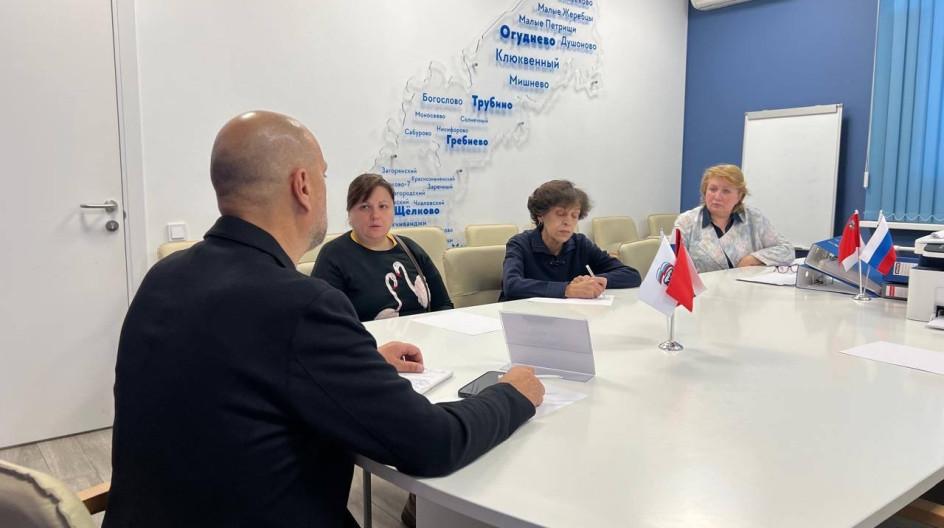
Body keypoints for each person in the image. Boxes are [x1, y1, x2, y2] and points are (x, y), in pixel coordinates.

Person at [103, 111, 544, 528]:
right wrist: (511, 394)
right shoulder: (301, 303)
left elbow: (238, 374)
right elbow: (433, 444)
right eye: (324, 176)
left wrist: (358, 364)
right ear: (303, 186)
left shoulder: (164, 275)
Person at [312, 174, 453, 321]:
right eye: (365, 207)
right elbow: (326, 322)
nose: (375, 215)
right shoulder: (334, 255)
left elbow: (443, 305)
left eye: (383, 206)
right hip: (366, 336)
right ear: (349, 212)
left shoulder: (410, 249)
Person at [502, 179, 641, 301]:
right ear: (540, 215)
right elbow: (512, 285)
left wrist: (594, 281)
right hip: (525, 317)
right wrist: (568, 289)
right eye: (560, 214)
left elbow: (632, 275)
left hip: (568, 316)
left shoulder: (581, 243)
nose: (568, 222)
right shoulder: (519, 244)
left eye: (574, 215)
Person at [675, 164, 795, 273]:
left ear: (739, 196)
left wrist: (753, 259)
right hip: (701, 289)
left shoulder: (754, 218)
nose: (717, 196)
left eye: (726, 191)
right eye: (712, 189)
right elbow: (673, 263)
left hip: (746, 288)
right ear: (705, 191)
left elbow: (786, 250)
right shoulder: (687, 221)